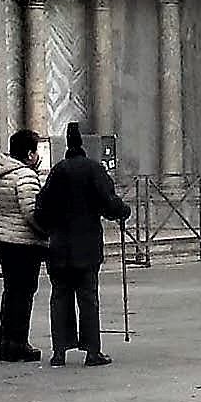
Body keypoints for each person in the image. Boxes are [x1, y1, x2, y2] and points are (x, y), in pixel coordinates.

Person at [35, 124, 128, 367]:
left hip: (59, 247)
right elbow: (109, 203)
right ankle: (92, 351)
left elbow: (41, 209)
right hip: (87, 246)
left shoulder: (57, 172)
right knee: (88, 298)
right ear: (82, 145)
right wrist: (122, 211)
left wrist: (48, 228)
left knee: (59, 297)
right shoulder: (93, 170)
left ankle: (59, 351)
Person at [0, 128, 48, 361]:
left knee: (11, 293)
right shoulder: (25, 176)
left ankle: (7, 343)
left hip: (2, 237)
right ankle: (19, 343)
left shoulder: (3, 172)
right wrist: (46, 233)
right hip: (22, 241)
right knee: (23, 294)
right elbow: (31, 212)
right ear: (30, 153)